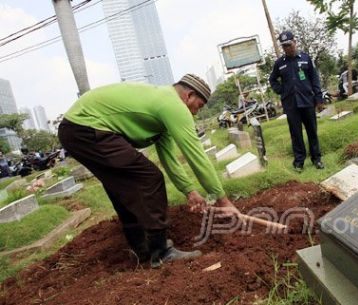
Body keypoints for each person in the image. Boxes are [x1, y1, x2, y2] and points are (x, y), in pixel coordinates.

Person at [58, 74, 237, 268]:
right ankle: (161, 252)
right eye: (199, 106)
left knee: (122, 186)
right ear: (189, 96)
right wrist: (222, 199)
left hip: (76, 129)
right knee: (150, 178)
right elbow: (197, 156)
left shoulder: (162, 109)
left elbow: (169, 159)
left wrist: (189, 191)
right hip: (85, 127)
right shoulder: (174, 105)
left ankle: (140, 249)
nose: (196, 113)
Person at [269, 30, 324, 172]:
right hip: (291, 104)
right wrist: (281, 90)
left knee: (312, 132)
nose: (287, 48)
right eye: (284, 46)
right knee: (296, 134)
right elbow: (272, 79)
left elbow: (315, 79)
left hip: (307, 101)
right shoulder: (279, 63)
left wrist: (318, 98)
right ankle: (299, 162)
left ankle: (317, 159)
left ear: (295, 42)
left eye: (289, 44)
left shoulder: (306, 58)